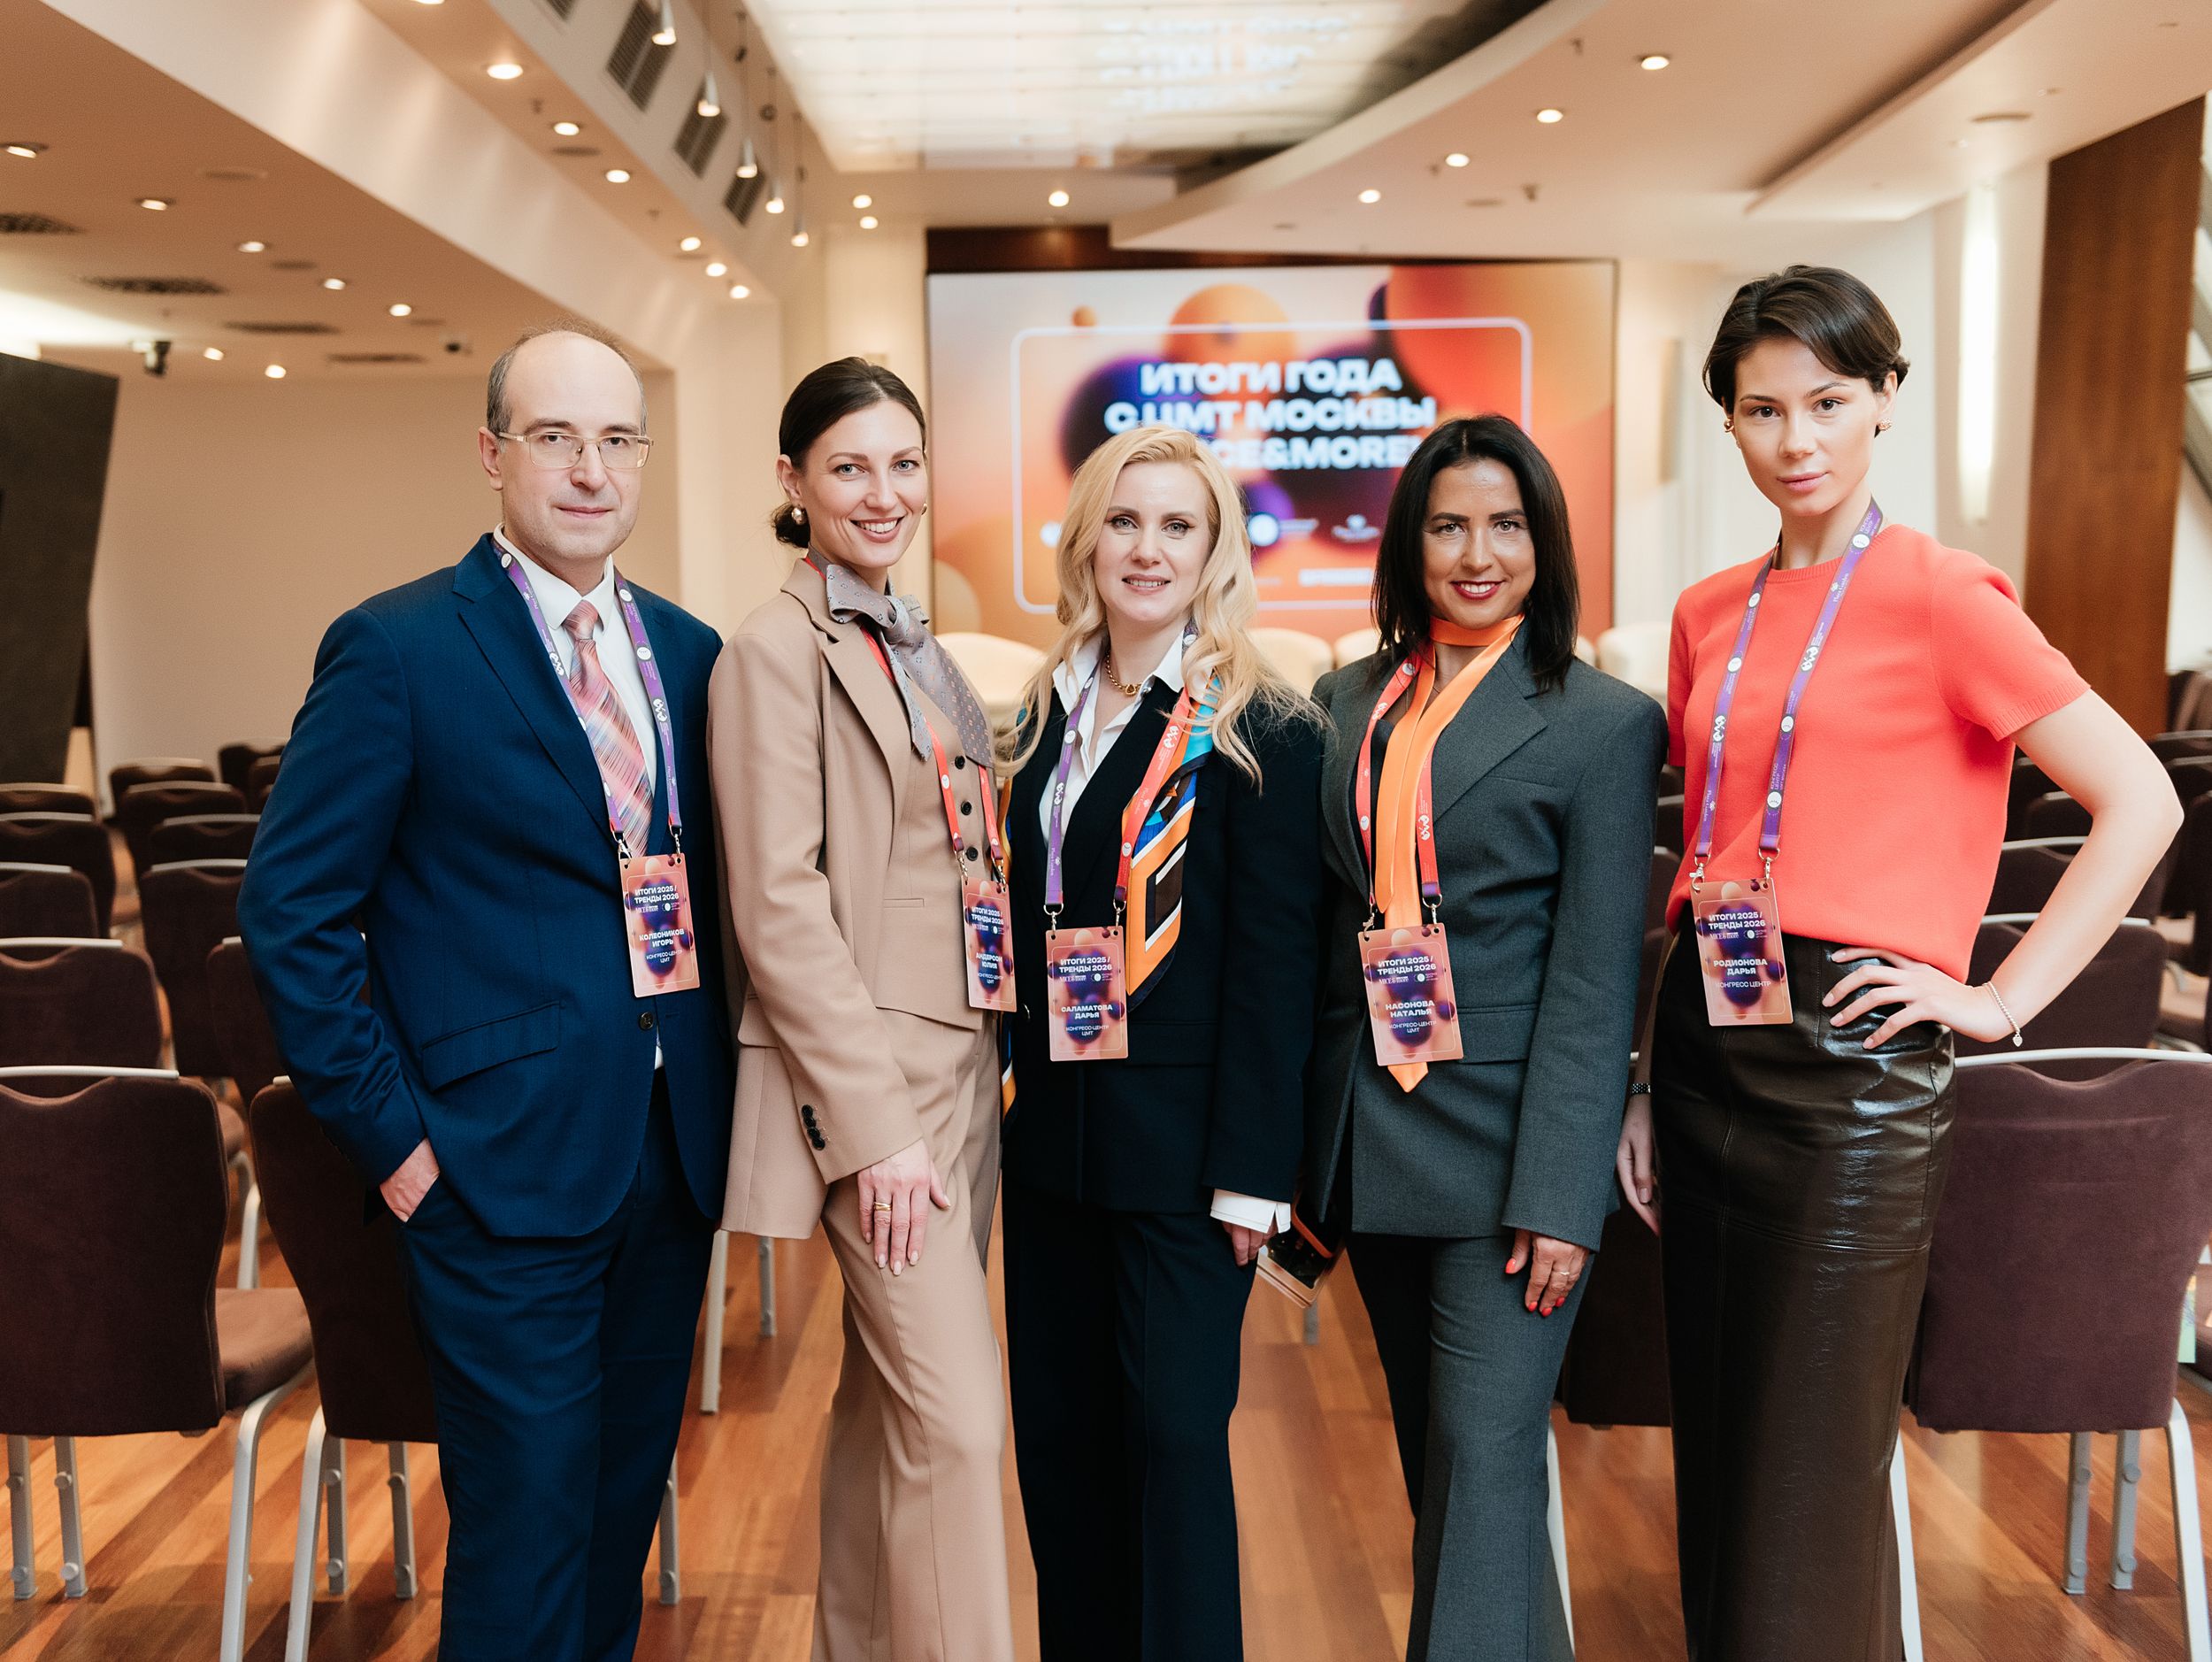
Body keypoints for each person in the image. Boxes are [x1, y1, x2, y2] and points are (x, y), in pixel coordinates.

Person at [1615, 265, 2181, 1661]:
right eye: (1762, 409)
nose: (1796, 438)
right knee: (1723, 1457)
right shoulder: (1706, 612)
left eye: (1827, 401)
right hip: (1704, 1035)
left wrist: (1997, 997)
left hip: (1853, 1073)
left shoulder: (1945, 594)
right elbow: (1705, 853)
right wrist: (1643, 1079)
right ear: (1728, 424)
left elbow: (2142, 800)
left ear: (1883, 400)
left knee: (1805, 1478)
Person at [237, 321, 733, 1661]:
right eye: (554, 437)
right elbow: (290, 911)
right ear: (492, 453)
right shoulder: (397, 647)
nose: (590, 470)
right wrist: (397, 1147)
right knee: (522, 1545)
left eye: (617, 440)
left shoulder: (691, 654)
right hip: (489, 1171)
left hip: (670, 1158)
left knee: (617, 1525)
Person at [1303, 414, 1663, 1660]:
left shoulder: (1603, 720)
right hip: (1376, 1134)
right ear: (1408, 541)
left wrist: (1563, 1196)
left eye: (1506, 525)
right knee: (1457, 1479)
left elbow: (1596, 975)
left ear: (1543, 541)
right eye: (1449, 525)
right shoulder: (1346, 700)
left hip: (1511, 1154)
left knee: (1482, 1451)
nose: (1476, 553)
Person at [999, 426, 1325, 1661]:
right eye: (1125, 521)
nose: (1147, 549)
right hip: (1050, 1152)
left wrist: (1254, 1175)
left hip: (1188, 1169)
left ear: (1214, 550)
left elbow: (1277, 970)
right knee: (1063, 1454)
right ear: (1087, 538)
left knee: (1175, 1453)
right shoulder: (1041, 714)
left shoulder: (1262, 728)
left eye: (1177, 525)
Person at [710, 358, 1013, 1662]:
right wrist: (876, 1129)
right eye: (849, 467)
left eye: (903, 462)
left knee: (888, 1407)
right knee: (959, 1426)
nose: (883, 492)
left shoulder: (909, 635)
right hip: (878, 1089)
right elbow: (779, 907)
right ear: (794, 481)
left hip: (966, 1062)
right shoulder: (772, 651)